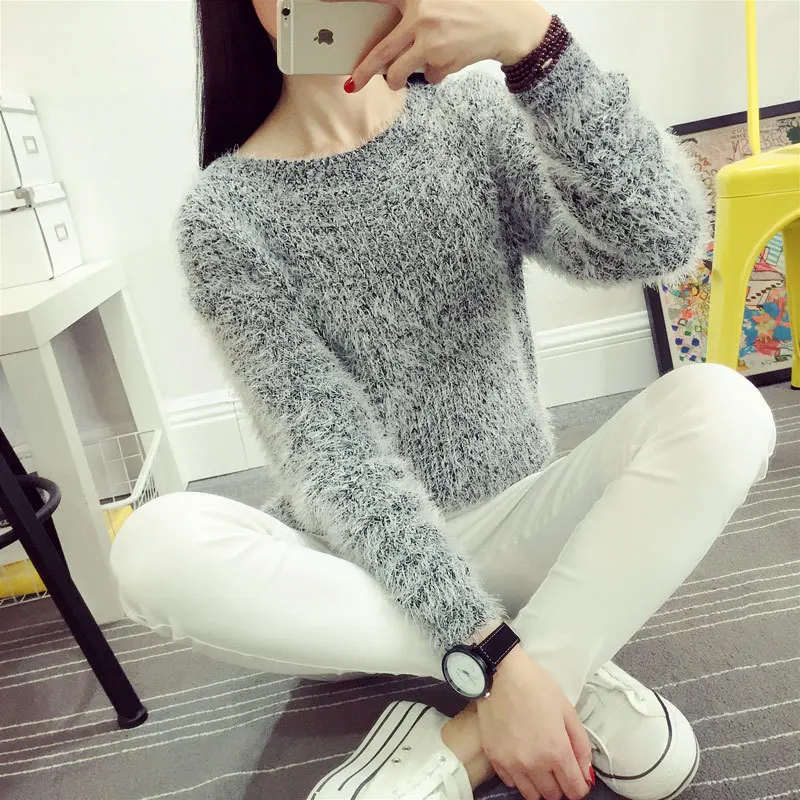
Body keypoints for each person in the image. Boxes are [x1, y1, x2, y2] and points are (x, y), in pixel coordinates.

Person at [109, 1, 777, 798]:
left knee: (722, 409)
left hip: (521, 519)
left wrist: (540, 50)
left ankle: (472, 736)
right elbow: (330, 453)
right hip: (363, 567)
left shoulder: (472, 119)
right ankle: (543, 663)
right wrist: (489, 647)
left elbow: (659, 241)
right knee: (152, 549)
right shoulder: (223, 215)